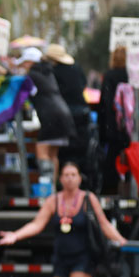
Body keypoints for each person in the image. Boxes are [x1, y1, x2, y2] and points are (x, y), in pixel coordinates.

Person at [15, 46, 75, 183]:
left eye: (25, 62)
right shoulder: (47, 72)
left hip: (50, 116)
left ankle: (47, 187)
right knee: (53, 154)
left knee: (41, 150)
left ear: (31, 61)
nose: (23, 65)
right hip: (63, 114)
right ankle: (52, 188)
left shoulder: (32, 75)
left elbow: (19, 87)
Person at [47, 44, 93, 186]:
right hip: (82, 112)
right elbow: (84, 85)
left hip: (64, 114)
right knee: (81, 150)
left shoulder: (53, 72)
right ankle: (80, 179)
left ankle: (63, 181)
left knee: (63, 150)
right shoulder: (77, 68)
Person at [98, 46, 130, 193]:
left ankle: (110, 187)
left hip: (113, 124)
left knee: (112, 158)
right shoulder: (132, 75)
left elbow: (105, 102)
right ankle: (129, 183)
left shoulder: (109, 76)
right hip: (130, 123)